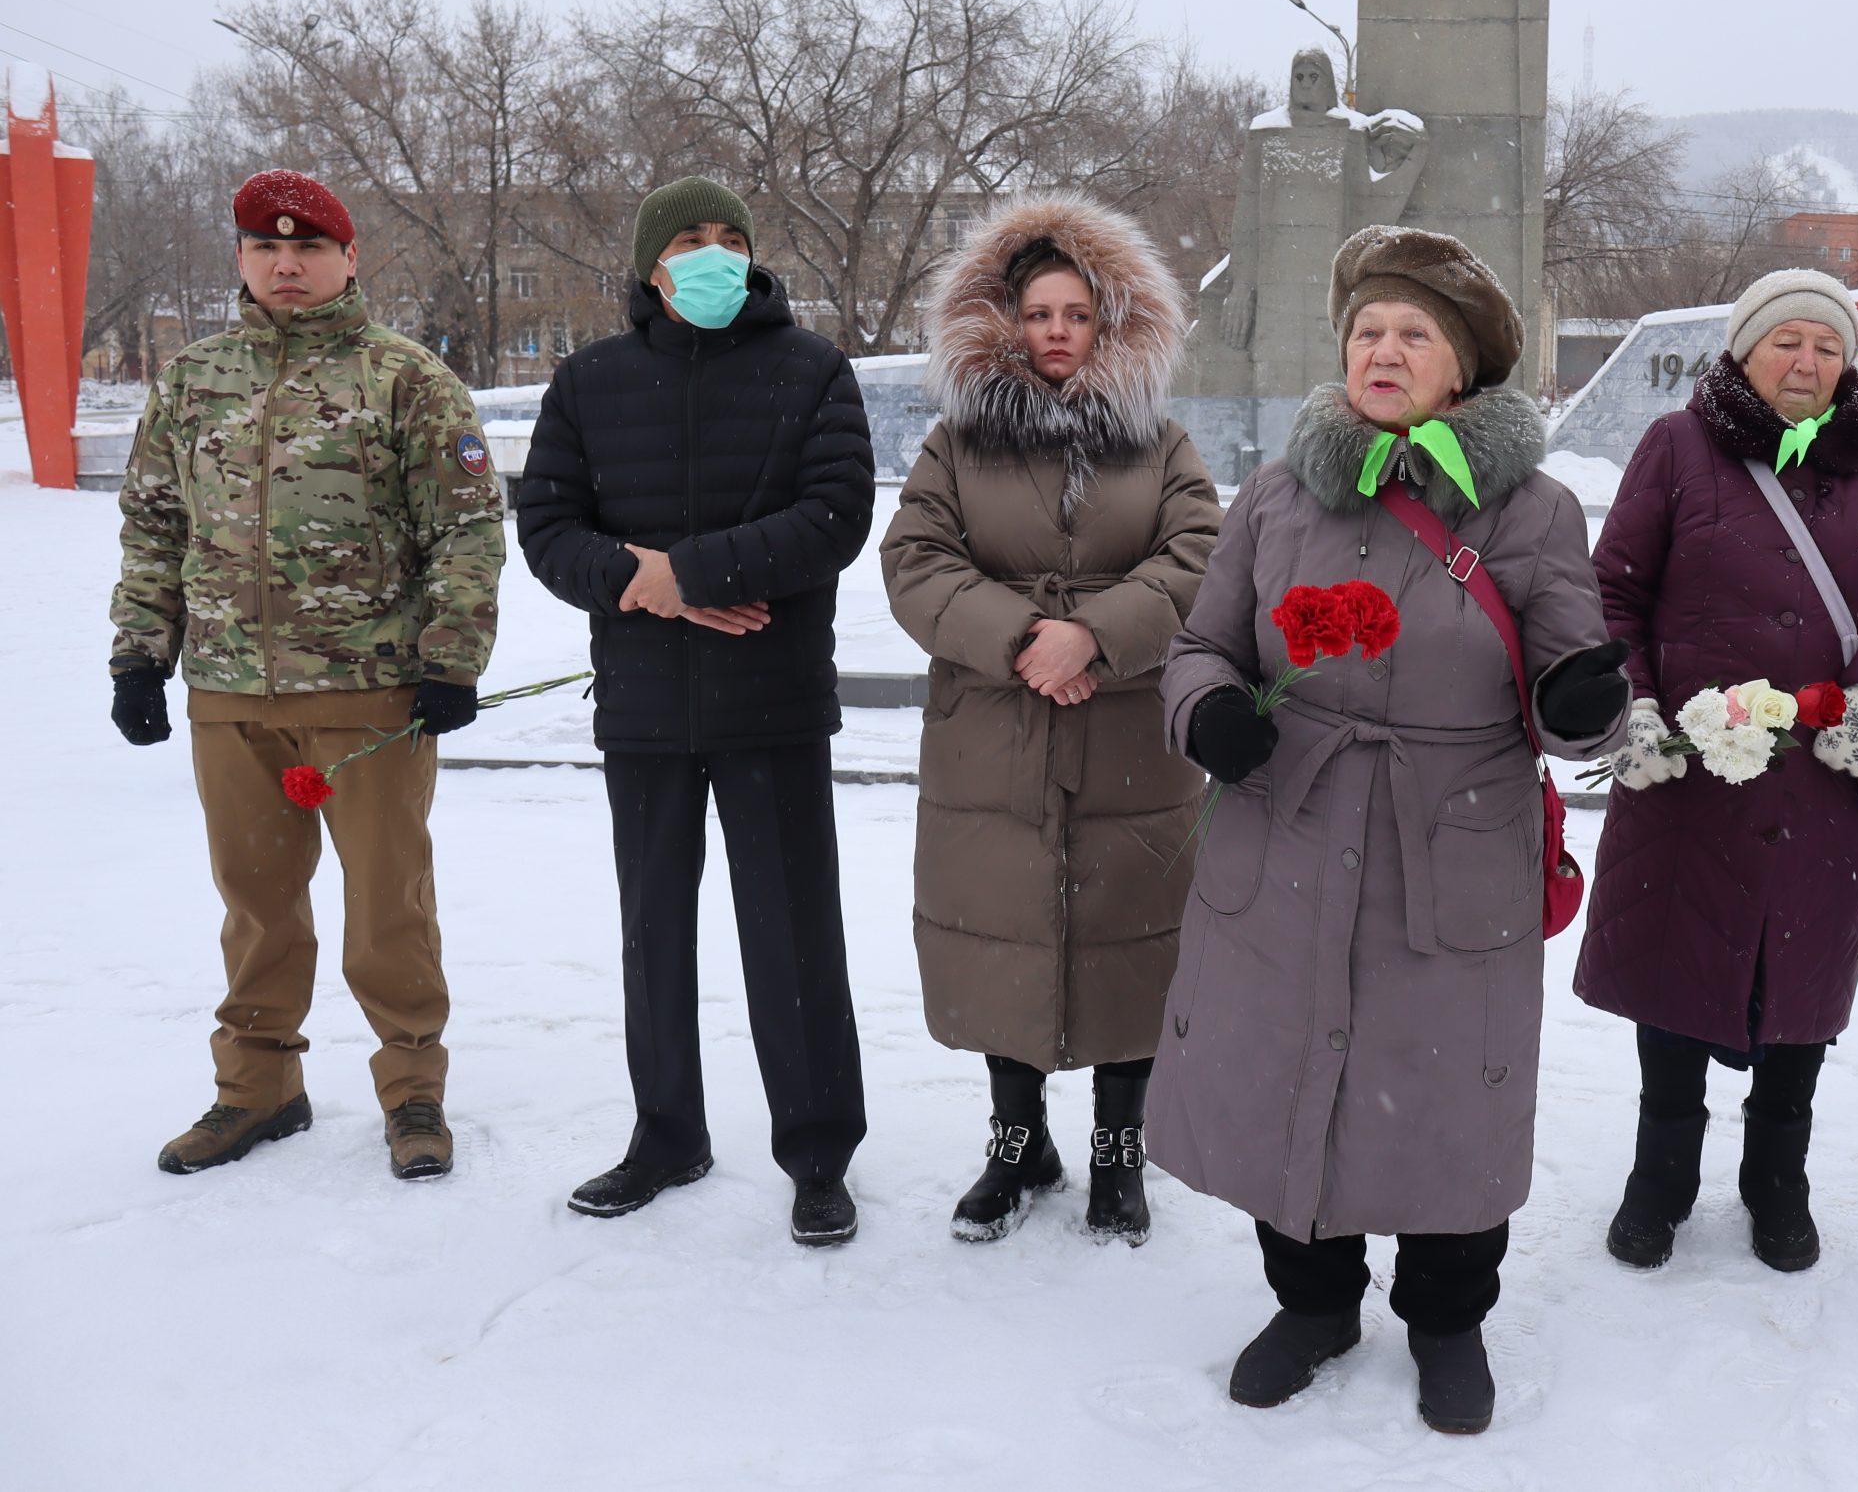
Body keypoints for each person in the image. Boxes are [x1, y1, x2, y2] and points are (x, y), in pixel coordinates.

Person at [1150, 225, 1630, 1435]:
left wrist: (1579, 698)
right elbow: (1204, 640)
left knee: (1446, 1093)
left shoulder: (1529, 509)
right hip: (1289, 829)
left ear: (1459, 369)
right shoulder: (1273, 495)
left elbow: (1570, 651)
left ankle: (1448, 1320)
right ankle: (1311, 1305)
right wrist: (1205, 709)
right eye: (1367, 329)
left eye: (1414, 333)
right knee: (1281, 1069)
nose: (1384, 349)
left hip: (1450, 841)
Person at [110, 169, 504, 1181]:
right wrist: (140, 656)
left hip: (369, 692)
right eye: (263, 248)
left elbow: (465, 532)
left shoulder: (404, 379)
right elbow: (154, 529)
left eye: (308, 249)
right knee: (255, 906)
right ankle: (257, 1090)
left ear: (347, 259)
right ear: (241, 258)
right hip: (232, 694)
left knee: (388, 907)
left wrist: (449, 663)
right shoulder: (193, 381)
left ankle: (413, 1090)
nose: (285, 265)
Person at [1576, 268, 1858, 1275]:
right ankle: (1658, 1178)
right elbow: (1612, 590)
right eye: (1787, 340)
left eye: (1828, 347)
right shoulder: (1676, 446)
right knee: (1672, 974)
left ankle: (1774, 1178)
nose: (1808, 362)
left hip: (1822, 782)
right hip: (1687, 781)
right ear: (1743, 349)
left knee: (1799, 982)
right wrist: (1638, 709)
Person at [516, 177, 875, 1247]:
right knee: (652, 936)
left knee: (794, 938)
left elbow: (834, 515)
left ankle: (817, 1153)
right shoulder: (589, 382)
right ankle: (666, 1133)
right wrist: (646, 582)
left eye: (732, 237)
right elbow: (545, 527)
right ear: (649, 264)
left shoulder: (812, 370)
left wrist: (691, 574)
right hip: (643, 707)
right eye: (689, 239)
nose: (714, 254)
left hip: (772, 700)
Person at [880, 194, 1221, 1246]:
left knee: (1131, 940)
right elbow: (915, 560)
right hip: (995, 731)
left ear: (1111, 325)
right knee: (1007, 935)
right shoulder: (955, 443)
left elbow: (1201, 554)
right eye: (1037, 313)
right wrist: (1025, 636)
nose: (1057, 332)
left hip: (1129, 735)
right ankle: (1016, 1140)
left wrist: (1098, 635)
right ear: (1003, 322)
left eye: (1077, 313)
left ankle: (1123, 1152)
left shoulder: (1159, 444)